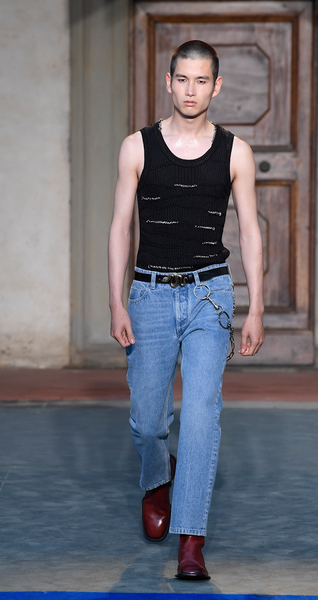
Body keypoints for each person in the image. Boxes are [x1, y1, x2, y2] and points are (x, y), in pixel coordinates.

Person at [108, 40, 264, 580]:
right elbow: (120, 227)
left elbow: (249, 231)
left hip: (209, 295)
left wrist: (256, 306)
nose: (191, 90)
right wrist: (116, 300)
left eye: (201, 81)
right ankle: (158, 480)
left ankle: (191, 540)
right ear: (169, 81)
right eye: (182, 80)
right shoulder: (137, 147)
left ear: (216, 86)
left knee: (200, 415)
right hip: (149, 293)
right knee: (147, 421)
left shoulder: (235, 152)